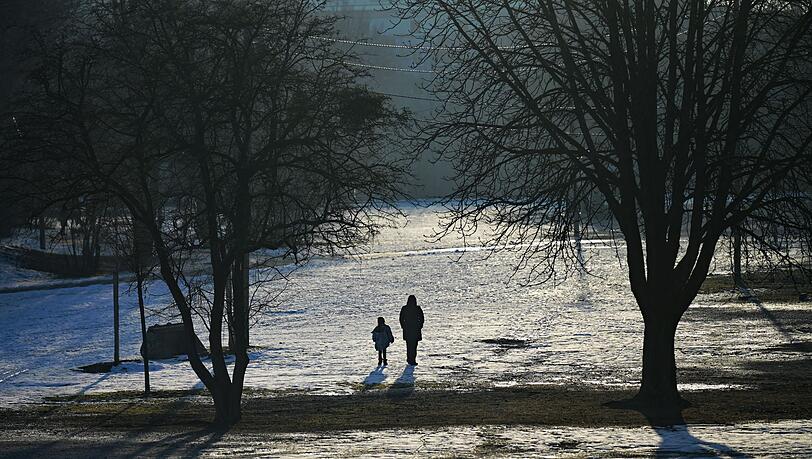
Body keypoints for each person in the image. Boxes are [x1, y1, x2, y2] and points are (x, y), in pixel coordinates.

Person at [399, 294, 424, 366]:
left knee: (409, 345)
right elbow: (421, 318)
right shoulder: (417, 308)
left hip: (408, 329)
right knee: (414, 346)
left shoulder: (405, 308)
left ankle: (410, 359)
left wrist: (403, 326)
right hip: (415, 329)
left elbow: (401, 318)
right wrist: (420, 326)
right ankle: (412, 359)